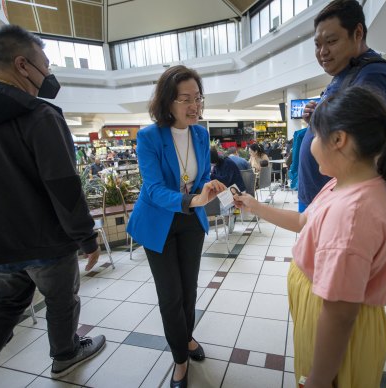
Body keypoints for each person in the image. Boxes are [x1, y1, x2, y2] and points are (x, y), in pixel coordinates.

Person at [233, 86, 386, 387]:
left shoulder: (352, 215)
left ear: (338, 139)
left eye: (315, 135)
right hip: (321, 317)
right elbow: (305, 221)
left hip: (334, 335)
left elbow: (340, 314)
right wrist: (254, 205)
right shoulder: (343, 183)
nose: (310, 144)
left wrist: (318, 379)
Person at [0, 25, 105, 387]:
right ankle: (64, 355)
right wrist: (86, 237)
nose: (48, 75)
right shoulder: (40, 115)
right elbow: (64, 187)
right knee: (61, 299)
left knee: (6, 302)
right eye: (45, 65)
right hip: (45, 242)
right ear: (22, 65)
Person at [125, 65, 226, 388]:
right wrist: (192, 200)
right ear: (168, 102)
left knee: (189, 290)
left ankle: (188, 338)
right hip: (159, 223)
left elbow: (198, 177)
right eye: (186, 99)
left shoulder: (200, 133)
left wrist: (209, 188)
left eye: (198, 98)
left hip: (190, 223)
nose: (195, 106)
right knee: (170, 296)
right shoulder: (149, 136)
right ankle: (180, 360)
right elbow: (153, 189)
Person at [297, 0, 386, 212]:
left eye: (331, 41)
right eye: (317, 45)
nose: (322, 52)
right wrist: (317, 121)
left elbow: (372, 149)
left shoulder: (373, 75)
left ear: (357, 33)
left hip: (340, 208)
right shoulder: (346, 73)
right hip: (322, 200)